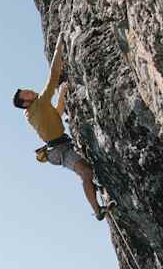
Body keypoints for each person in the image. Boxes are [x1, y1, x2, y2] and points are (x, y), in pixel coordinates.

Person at [14, 45, 111, 220]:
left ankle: (96, 196)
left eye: (27, 90)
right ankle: (98, 211)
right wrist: (59, 45)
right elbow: (53, 77)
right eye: (26, 93)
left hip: (59, 147)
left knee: (87, 171)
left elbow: (57, 116)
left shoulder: (35, 111)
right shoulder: (38, 105)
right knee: (86, 172)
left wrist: (63, 95)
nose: (30, 91)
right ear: (25, 103)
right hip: (59, 150)